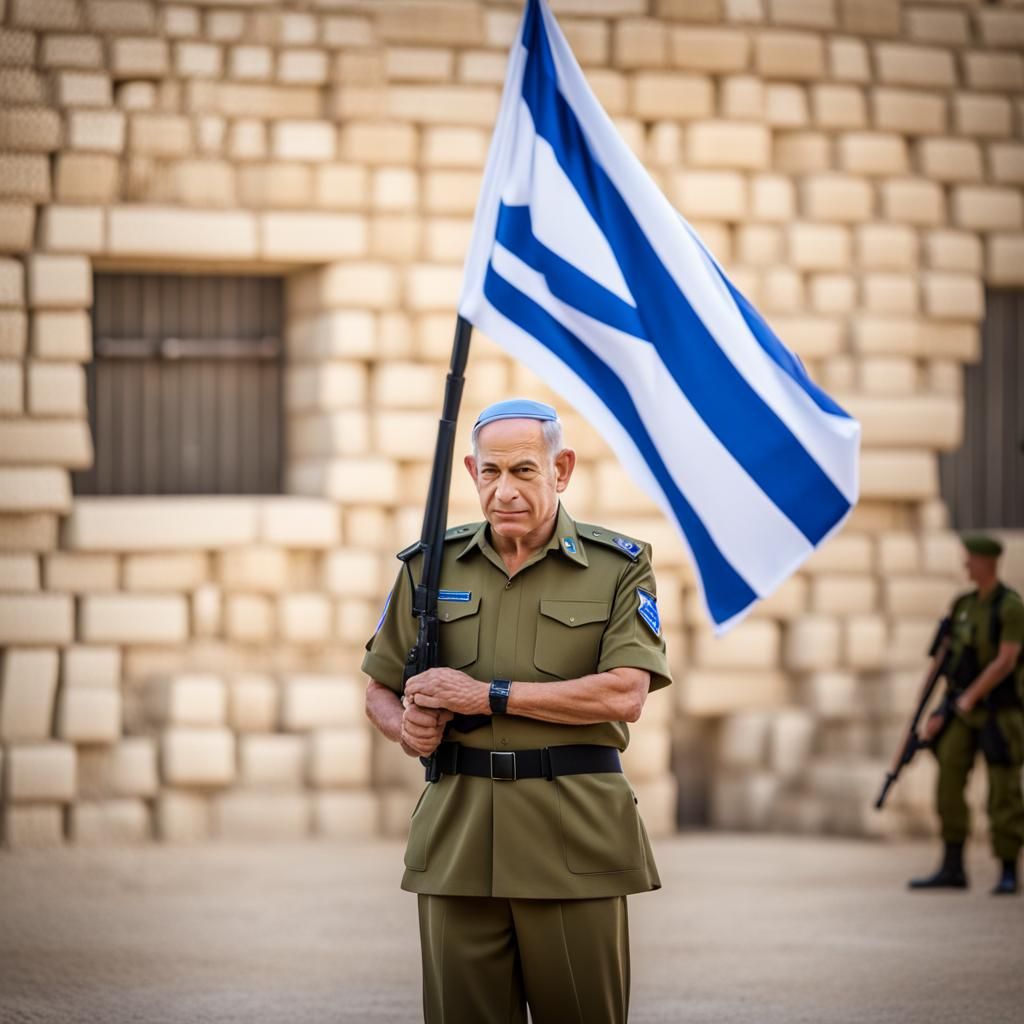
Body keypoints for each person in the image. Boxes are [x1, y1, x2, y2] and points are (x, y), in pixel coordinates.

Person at [363, 398, 672, 1024]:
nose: (504, 491)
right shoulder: (428, 566)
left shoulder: (617, 567)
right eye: (490, 472)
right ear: (471, 473)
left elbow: (624, 694)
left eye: (524, 471)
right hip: (457, 841)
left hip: (573, 841)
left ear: (562, 468)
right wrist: (406, 728)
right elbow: (379, 688)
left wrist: (489, 696)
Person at [909, 534, 1024, 896]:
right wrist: (930, 709)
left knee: (1004, 791)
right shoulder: (962, 605)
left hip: (998, 711)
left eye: (971, 559)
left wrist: (971, 697)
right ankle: (952, 865)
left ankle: (1008, 868)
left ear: (987, 563)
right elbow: (942, 659)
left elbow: (1006, 660)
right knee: (948, 781)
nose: (966, 565)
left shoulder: (1010, 607)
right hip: (960, 708)